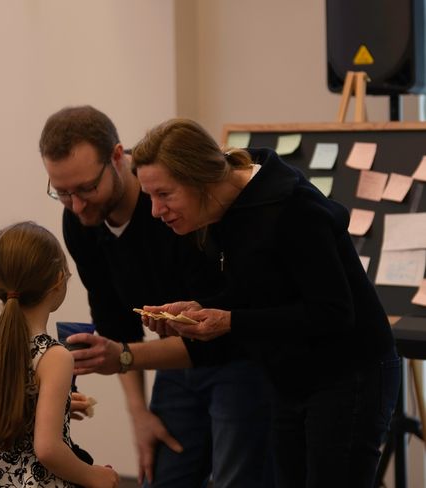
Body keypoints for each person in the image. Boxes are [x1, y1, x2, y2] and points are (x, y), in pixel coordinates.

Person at [68, 118, 401, 488]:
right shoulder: (222, 211)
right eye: (150, 197)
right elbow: (258, 294)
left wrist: (229, 321)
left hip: (349, 373)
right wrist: (199, 309)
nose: (155, 211)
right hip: (291, 375)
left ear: (200, 179)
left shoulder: (292, 209)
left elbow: (333, 313)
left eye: (164, 195)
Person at [39, 106, 274, 488]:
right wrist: (139, 415)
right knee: (162, 478)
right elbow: (116, 324)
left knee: (236, 478)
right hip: (176, 363)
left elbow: (215, 332)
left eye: (86, 188)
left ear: (118, 157)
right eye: (62, 193)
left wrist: (124, 357)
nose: (77, 205)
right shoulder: (80, 223)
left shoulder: (175, 207)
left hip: (237, 356)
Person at [0, 221, 119, 488]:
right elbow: (47, 449)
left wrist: (49, 408)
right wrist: (95, 476)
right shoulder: (55, 356)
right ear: (59, 279)